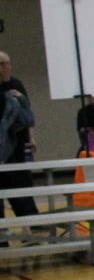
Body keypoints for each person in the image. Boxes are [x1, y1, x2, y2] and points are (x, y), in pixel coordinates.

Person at [0, 51, 39, 222]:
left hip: (18, 142)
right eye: (0, 64)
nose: (4, 68)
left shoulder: (17, 85)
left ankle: (31, 226)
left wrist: (31, 137)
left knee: (22, 183)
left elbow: (28, 114)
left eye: (5, 63)